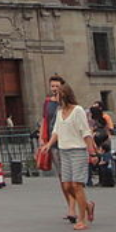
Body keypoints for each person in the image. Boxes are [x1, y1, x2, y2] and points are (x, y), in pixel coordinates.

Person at [41, 84, 98, 231]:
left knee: (76, 185)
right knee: (66, 185)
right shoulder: (60, 112)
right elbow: (56, 131)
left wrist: (92, 153)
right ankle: (88, 205)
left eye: (57, 94)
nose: (54, 97)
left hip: (77, 150)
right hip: (63, 151)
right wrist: (48, 145)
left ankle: (82, 220)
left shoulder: (78, 110)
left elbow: (86, 133)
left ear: (64, 95)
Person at [38, 74, 75, 223]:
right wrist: (42, 138)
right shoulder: (48, 103)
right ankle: (71, 207)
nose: (54, 89)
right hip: (52, 144)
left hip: (67, 143)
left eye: (57, 86)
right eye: (52, 86)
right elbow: (45, 120)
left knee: (69, 178)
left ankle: (76, 207)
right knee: (62, 177)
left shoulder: (67, 104)